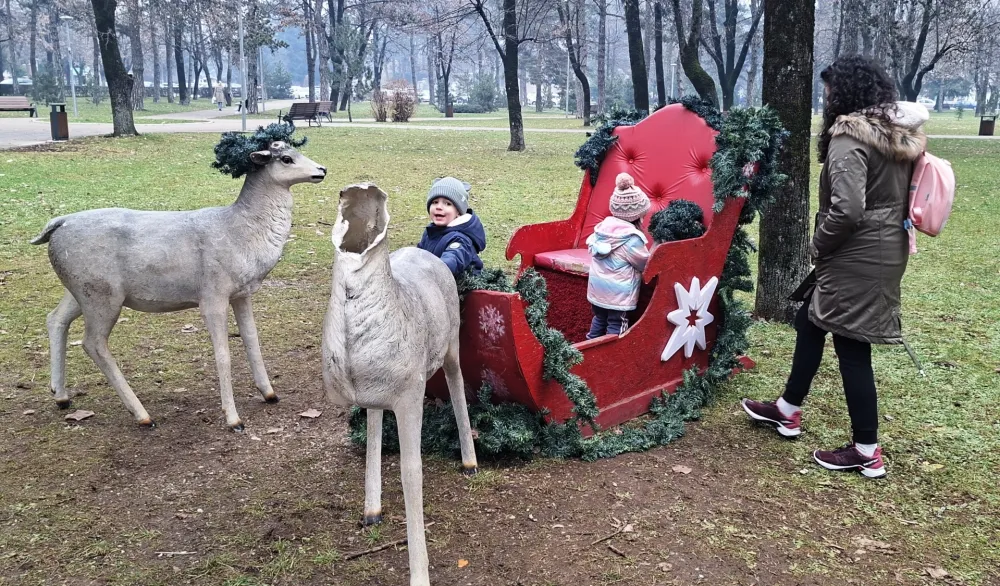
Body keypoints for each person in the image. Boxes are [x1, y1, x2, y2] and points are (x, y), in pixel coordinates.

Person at [741, 55, 929, 479]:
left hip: (856, 253)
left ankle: (867, 450)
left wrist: (817, 246)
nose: (825, 98)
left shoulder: (850, 136)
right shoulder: (896, 134)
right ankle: (787, 409)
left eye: (829, 90)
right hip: (882, 248)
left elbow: (847, 210)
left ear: (844, 92)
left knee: (851, 345)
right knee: (810, 321)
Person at [585, 172, 651, 339]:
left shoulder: (601, 230)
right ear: (637, 215)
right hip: (618, 295)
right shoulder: (631, 239)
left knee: (599, 318)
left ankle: (590, 344)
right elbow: (645, 264)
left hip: (597, 289)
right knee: (617, 323)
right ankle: (613, 350)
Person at [417, 177, 487, 277]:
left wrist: (431, 269)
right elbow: (418, 253)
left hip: (459, 283)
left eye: (447, 204)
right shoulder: (431, 232)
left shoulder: (460, 239)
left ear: (458, 211)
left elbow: (453, 260)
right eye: (435, 202)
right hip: (434, 279)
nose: (439, 207)